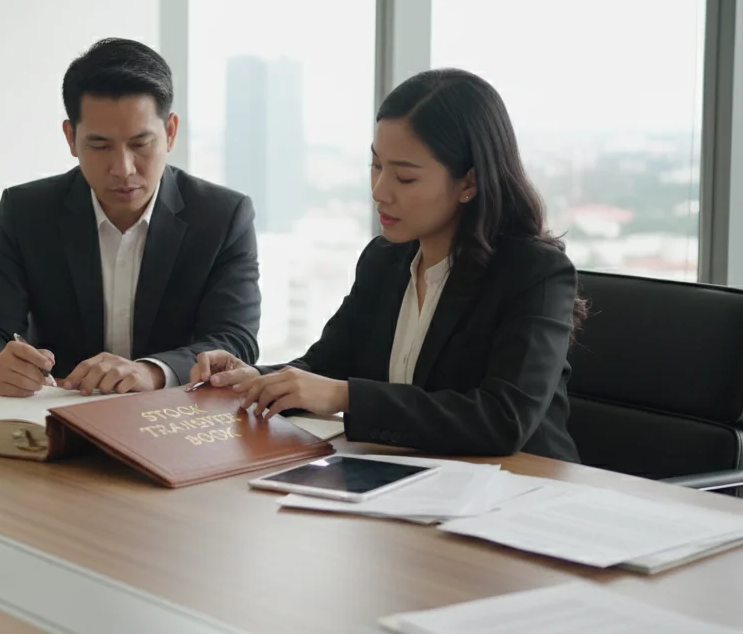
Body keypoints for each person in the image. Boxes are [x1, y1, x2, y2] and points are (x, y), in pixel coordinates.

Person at [188, 68, 585, 461]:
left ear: (469, 183)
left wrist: (345, 396)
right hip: (411, 476)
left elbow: (503, 419)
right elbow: (324, 366)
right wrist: (255, 379)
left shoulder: (535, 273)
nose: (379, 192)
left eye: (405, 178)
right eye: (376, 166)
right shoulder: (384, 259)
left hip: (522, 486)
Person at [0, 38, 261, 398]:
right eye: (99, 146)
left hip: (175, 418)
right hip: (55, 416)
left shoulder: (222, 217)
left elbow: (234, 340)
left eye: (140, 144)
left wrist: (152, 371)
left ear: (170, 132)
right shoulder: (26, 213)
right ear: (71, 138)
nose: (123, 168)